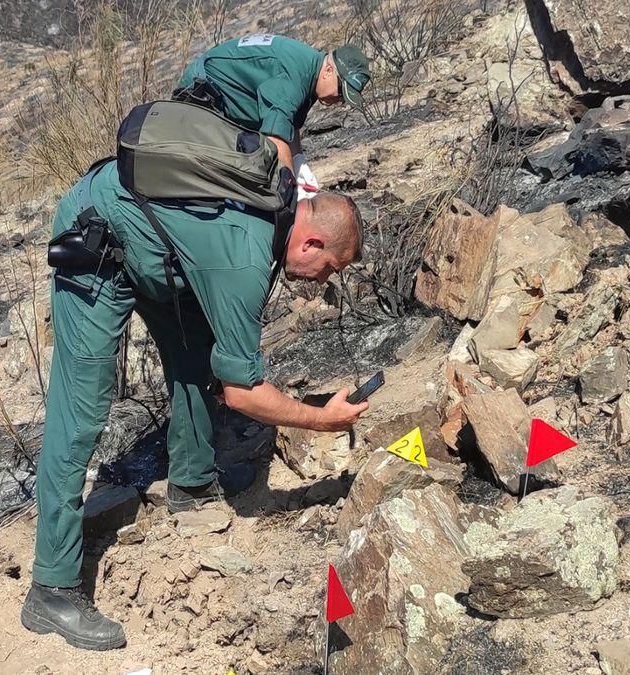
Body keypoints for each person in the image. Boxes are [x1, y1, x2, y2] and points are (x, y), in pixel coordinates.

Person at [20, 159, 369, 651]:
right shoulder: (246, 256)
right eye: (327, 268)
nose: (319, 281)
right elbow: (242, 392)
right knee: (80, 413)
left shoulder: (278, 204)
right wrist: (321, 420)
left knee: (197, 349)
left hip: (156, 248)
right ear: (311, 242)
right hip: (97, 234)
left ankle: (192, 482)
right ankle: (51, 588)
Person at [174, 34, 371, 179]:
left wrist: (299, 161)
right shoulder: (296, 76)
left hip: (226, 105)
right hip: (201, 95)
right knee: (221, 180)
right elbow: (275, 138)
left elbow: (288, 126)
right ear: (329, 70)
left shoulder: (312, 72)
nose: (340, 100)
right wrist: (292, 188)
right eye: (340, 90)